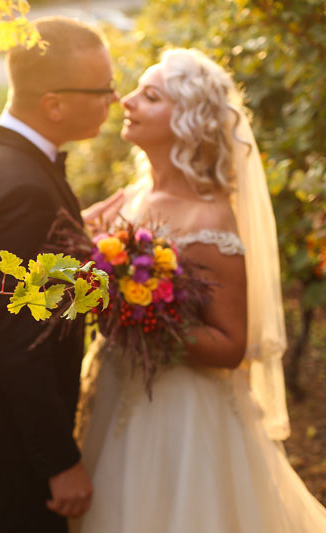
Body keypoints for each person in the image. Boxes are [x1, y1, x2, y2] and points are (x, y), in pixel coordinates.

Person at [71, 48, 326, 532]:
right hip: (117, 395)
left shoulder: (211, 219)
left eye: (149, 96)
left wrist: (138, 313)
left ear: (188, 120)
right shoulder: (137, 196)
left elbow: (230, 347)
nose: (126, 101)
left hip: (179, 420)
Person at [0, 16, 118, 532]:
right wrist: (60, 463)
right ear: (53, 104)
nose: (114, 100)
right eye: (103, 89)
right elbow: (21, 340)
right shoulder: (25, 191)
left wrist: (75, 236)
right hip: (13, 428)